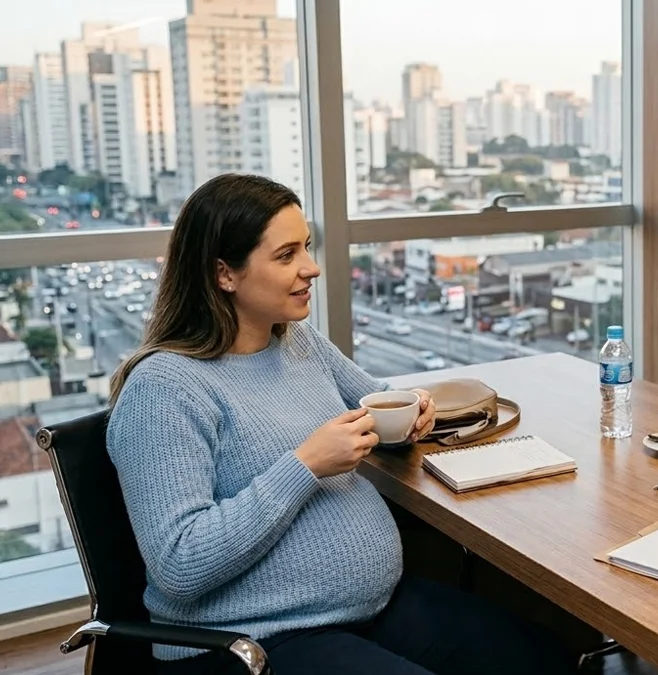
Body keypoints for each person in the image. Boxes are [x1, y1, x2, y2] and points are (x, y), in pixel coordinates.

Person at [107, 174, 576, 674]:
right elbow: (179, 564)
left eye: (306, 248)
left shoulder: (297, 343)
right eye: (286, 256)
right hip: (252, 642)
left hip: (361, 612)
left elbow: (377, 400)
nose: (311, 268)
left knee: (546, 659)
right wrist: (305, 465)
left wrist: (414, 407)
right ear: (225, 273)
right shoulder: (164, 389)